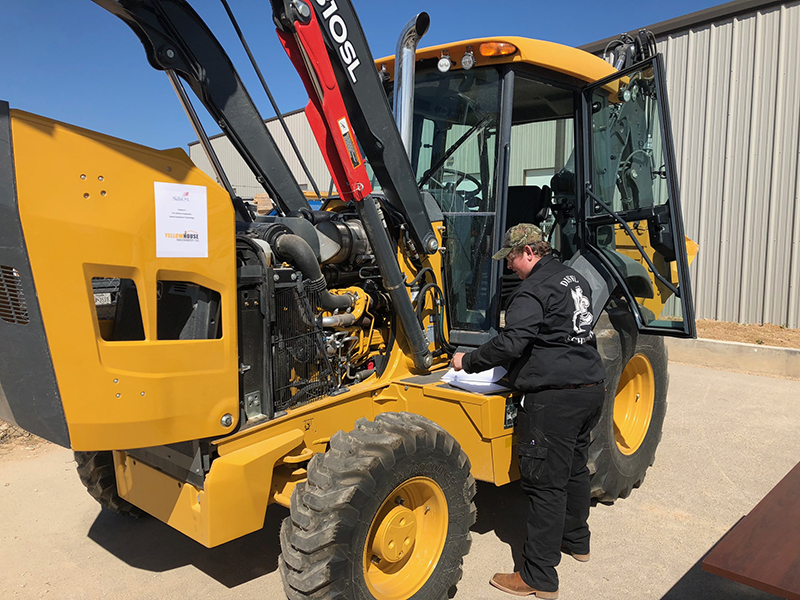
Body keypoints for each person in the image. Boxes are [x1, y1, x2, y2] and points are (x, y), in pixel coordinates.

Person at [451, 223, 606, 599]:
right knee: (573, 468)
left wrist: (467, 360)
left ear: (530, 252)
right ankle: (577, 541)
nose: (510, 268)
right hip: (589, 388)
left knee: (544, 486)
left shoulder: (530, 291)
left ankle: (538, 578)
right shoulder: (573, 278)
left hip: (553, 399)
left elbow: (512, 342)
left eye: (513, 260)